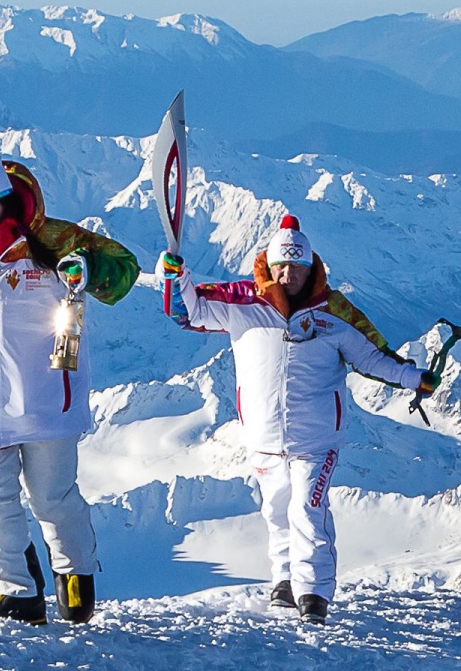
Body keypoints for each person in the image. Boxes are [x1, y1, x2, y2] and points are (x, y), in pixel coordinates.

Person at [0, 135, 139, 623]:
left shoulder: (47, 240)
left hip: (45, 395)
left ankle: (74, 578)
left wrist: (87, 267)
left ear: (5, 196)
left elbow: (121, 270)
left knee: (53, 498)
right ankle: (16, 590)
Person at [161, 214, 435, 623]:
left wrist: (415, 378)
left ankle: (314, 594)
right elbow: (188, 311)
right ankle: (285, 582)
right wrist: (172, 276)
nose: (289, 274)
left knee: (308, 508)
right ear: (269, 265)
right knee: (277, 509)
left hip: (317, 435)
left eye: (298, 266)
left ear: (311, 267)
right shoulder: (242, 302)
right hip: (263, 434)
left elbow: (373, 356)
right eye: (281, 266)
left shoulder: (335, 311)